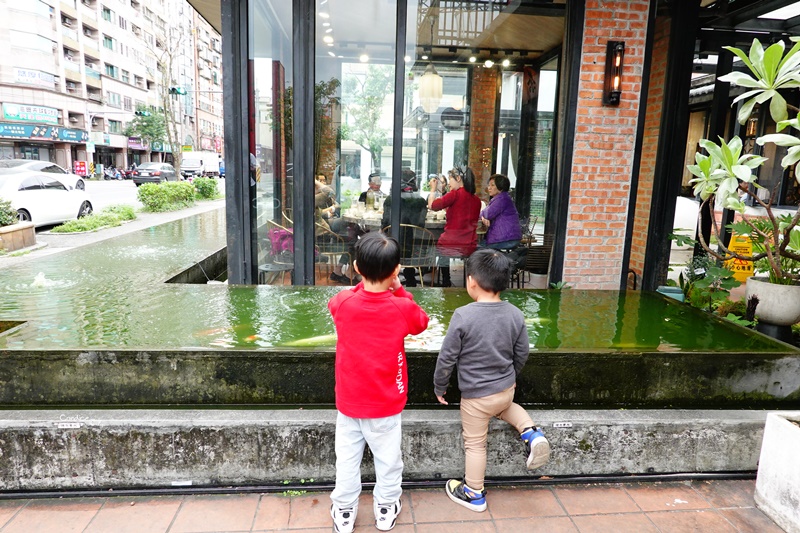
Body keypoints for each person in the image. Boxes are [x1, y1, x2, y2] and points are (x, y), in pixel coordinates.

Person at [433, 249, 550, 512]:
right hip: (505, 390)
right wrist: (512, 376)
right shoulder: (516, 314)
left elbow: (447, 357)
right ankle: (531, 433)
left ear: (471, 281)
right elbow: (522, 352)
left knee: (475, 443)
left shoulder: (464, 315)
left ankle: (474, 493)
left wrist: (440, 386)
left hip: (476, 398)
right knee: (506, 408)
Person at [328, 232, 430, 533]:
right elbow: (421, 322)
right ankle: (385, 508)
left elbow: (339, 304)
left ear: (357, 268)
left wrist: (368, 286)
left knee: (346, 462)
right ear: (397, 270)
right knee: (388, 461)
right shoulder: (401, 307)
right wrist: (399, 292)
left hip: (348, 404)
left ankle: (345, 512)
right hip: (386, 404)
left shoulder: (343, 302)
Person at [429, 167, 481, 287]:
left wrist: (433, 189)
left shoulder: (455, 194)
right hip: (469, 245)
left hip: (451, 244)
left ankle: (446, 280)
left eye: (450, 179)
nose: (449, 183)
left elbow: (433, 205)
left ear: (458, 178)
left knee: (440, 247)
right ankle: (467, 283)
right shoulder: (476, 200)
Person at [382, 170, 428, 287]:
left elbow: (385, 223)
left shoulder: (390, 200)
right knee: (410, 242)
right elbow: (421, 224)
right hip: (415, 248)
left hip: (392, 246)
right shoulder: (420, 201)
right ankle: (410, 277)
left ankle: (389, 278)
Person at [480, 174, 522, 250]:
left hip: (504, 239)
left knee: (477, 249)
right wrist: (483, 216)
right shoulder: (503, 198)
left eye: (492, 185)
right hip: (508, 238)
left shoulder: (501, 199)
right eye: (489, 185)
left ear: (501, 187)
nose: (489, 188)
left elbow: (487, 214)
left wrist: (482, 217)